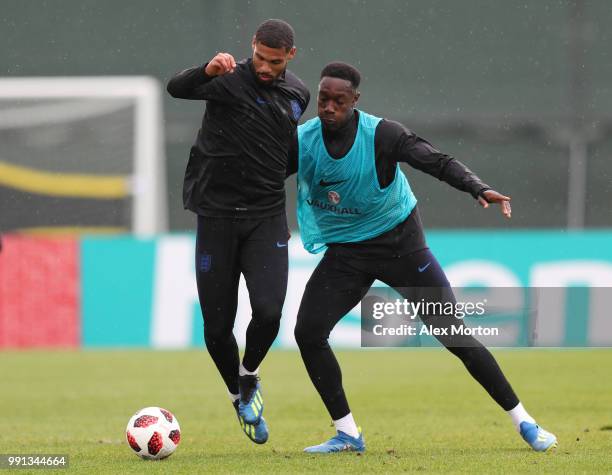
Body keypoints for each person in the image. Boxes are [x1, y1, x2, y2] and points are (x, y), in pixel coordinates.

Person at [287, 62, 557, 453]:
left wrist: (477, 187)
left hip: (401, 246)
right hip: (347, 253)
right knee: (308, 333)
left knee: (454, 334)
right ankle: (347, 434)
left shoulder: (382, 135)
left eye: (338, 101)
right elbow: (264, 171)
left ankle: (526, 423)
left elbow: (436, 161)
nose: (328, 108)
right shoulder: (304, 139)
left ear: (355, 101)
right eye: (323, 99)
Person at [167, 19, 310, 445]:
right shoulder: (226, 78)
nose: (265, 68)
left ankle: (249, 376)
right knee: (216, 327)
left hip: (265, 216)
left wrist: (261, 177)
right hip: (215, 216)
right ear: (252, 48)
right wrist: (206, 71)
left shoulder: (298, 94)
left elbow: (289, 154)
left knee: (268, 313)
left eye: (275, 61)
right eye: (261, 59)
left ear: (290, 57)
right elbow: (176, 88)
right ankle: (237, 395)